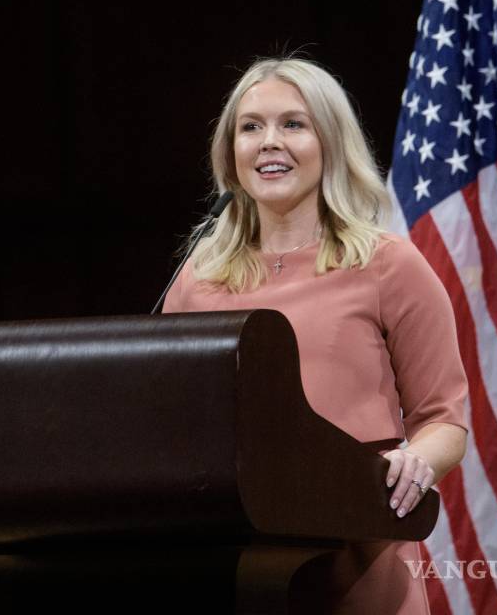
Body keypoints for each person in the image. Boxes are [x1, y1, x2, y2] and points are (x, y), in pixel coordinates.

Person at [162, 57, 469, 614]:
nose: (268, 142)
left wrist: (416, 462)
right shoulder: (196, 278)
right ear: (230, 153)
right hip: (233, 558)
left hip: (357, 551)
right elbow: (167, 425)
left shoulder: (388, 264)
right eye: (250, 127)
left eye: (293, 124)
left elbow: (444, 421)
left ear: (330, 142)